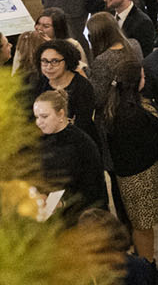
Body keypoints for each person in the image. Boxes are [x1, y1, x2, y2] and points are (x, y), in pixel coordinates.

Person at [102, 58, 158, 262]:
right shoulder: (132, 114)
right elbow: (150, 143)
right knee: (143, 227)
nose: (145, 78)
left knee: (141, 225)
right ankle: (147, 266)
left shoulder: (115, 104)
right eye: (142, 76)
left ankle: (146, 261)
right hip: (141, 176)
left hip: (128, 174)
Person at [31, 88, 107, 221]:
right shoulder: (40, 140)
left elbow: (94, 190)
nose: (39, 122)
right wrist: (40, 193)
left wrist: (63, 203)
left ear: (61, 114)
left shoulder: (83, 144)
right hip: (54, 218)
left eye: (44, 116)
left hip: (83, 219)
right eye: (37, 117)